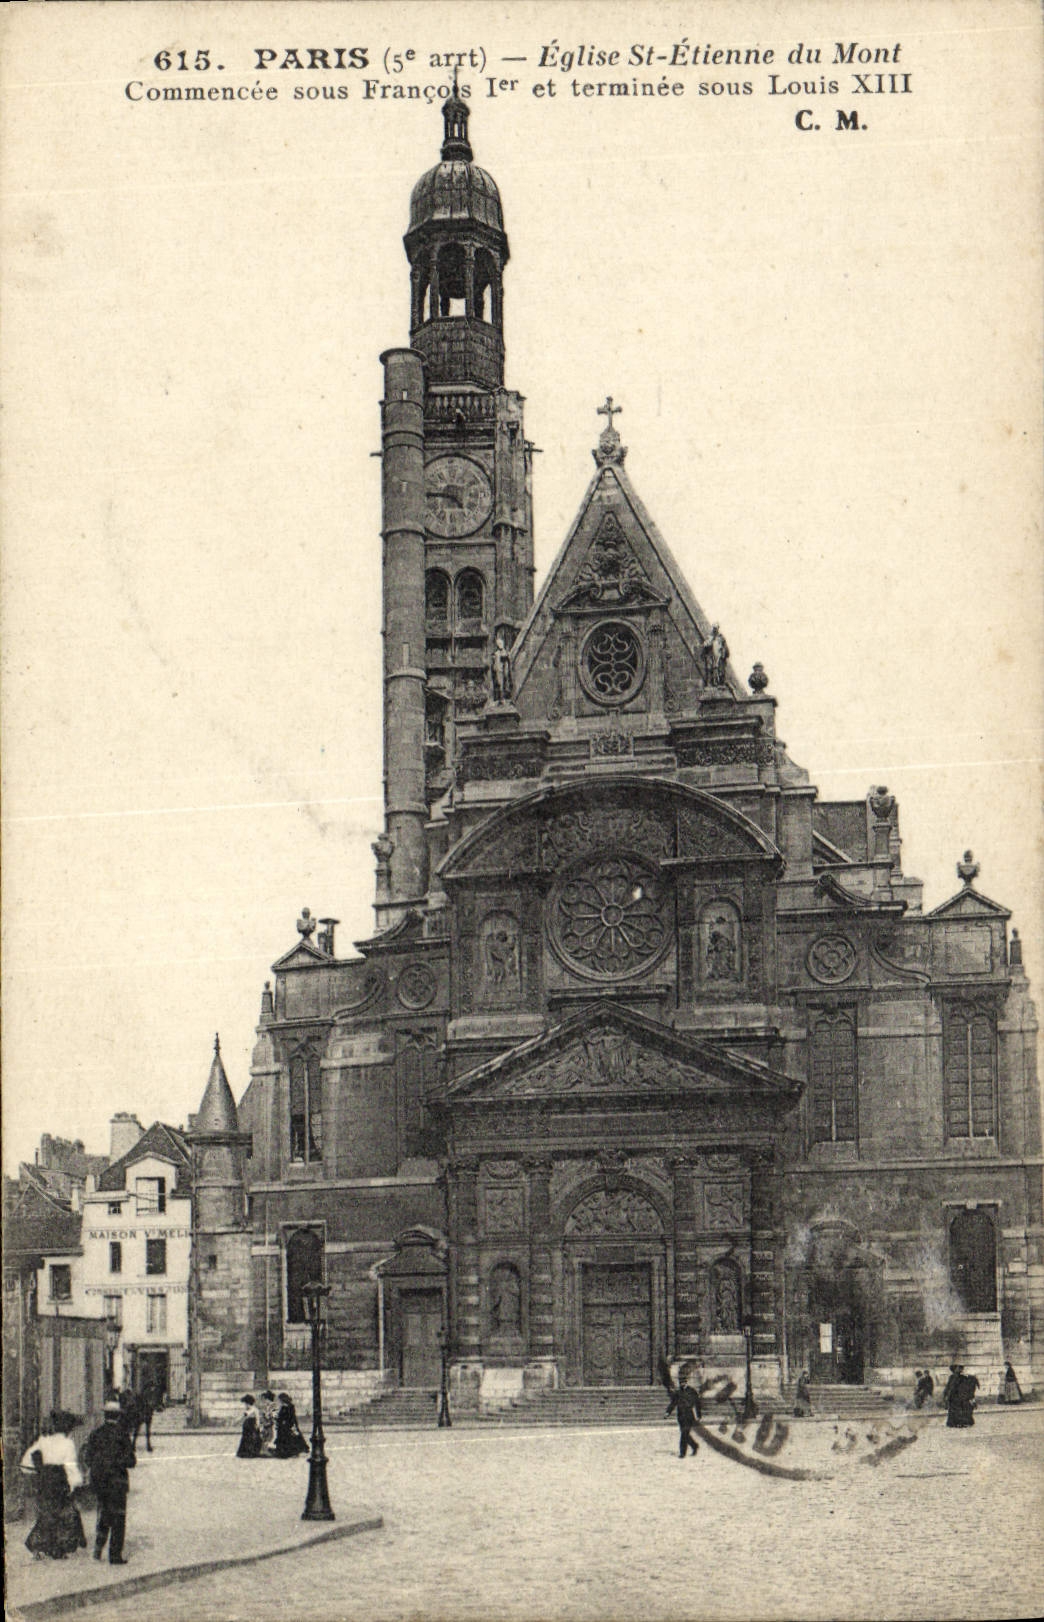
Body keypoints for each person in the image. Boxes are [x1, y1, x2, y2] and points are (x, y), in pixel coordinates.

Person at [20, 1410, 87, 1560]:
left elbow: (25, 1463)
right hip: (59, 1483)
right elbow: (70, 1467)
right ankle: (46, 1546)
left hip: (44, 1482)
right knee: (61, 1515)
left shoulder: (43, 1441)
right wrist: (76, 1484)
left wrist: (36, 1473)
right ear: (68, 1429)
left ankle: (46, 1547)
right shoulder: (67, 1444)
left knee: (48, 1513)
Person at [82, 1398, 136, 1564]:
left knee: (104, 1513)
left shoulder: (95, 1434)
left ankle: (98, 1549)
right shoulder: (122, 1434)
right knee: (119, 1518)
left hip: (100, 1483)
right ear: (118, 1416)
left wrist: (99, 1468)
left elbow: (87, 1458)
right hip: (117, 1482)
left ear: (105, 1416)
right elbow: (131, 1462)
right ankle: (114, 1555)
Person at [666, 1367, 701, 1458]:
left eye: (683, 1382)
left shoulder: (692, 1391)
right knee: (684, 1433)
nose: (682, 1384)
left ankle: (682, 1453)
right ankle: (694, 1445)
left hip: (689, 1416)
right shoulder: (678, 1393)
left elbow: (697, 1403)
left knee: (684, 1434)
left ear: (686, 1382)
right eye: (681, 1383)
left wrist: (699, 1415)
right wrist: (668, 1412)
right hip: (681, 1416)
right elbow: (673, 1403)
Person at [272, 1392, 309, 1458]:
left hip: (286, 1425)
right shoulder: (286, 1406)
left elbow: (289, 1417)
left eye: (279, 1400)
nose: (279, 1401)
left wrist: (279, 1419)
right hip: (284, 1425)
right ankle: (286, 1451)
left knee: (289, 1438)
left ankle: (288, 1451)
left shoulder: (287, 1407)